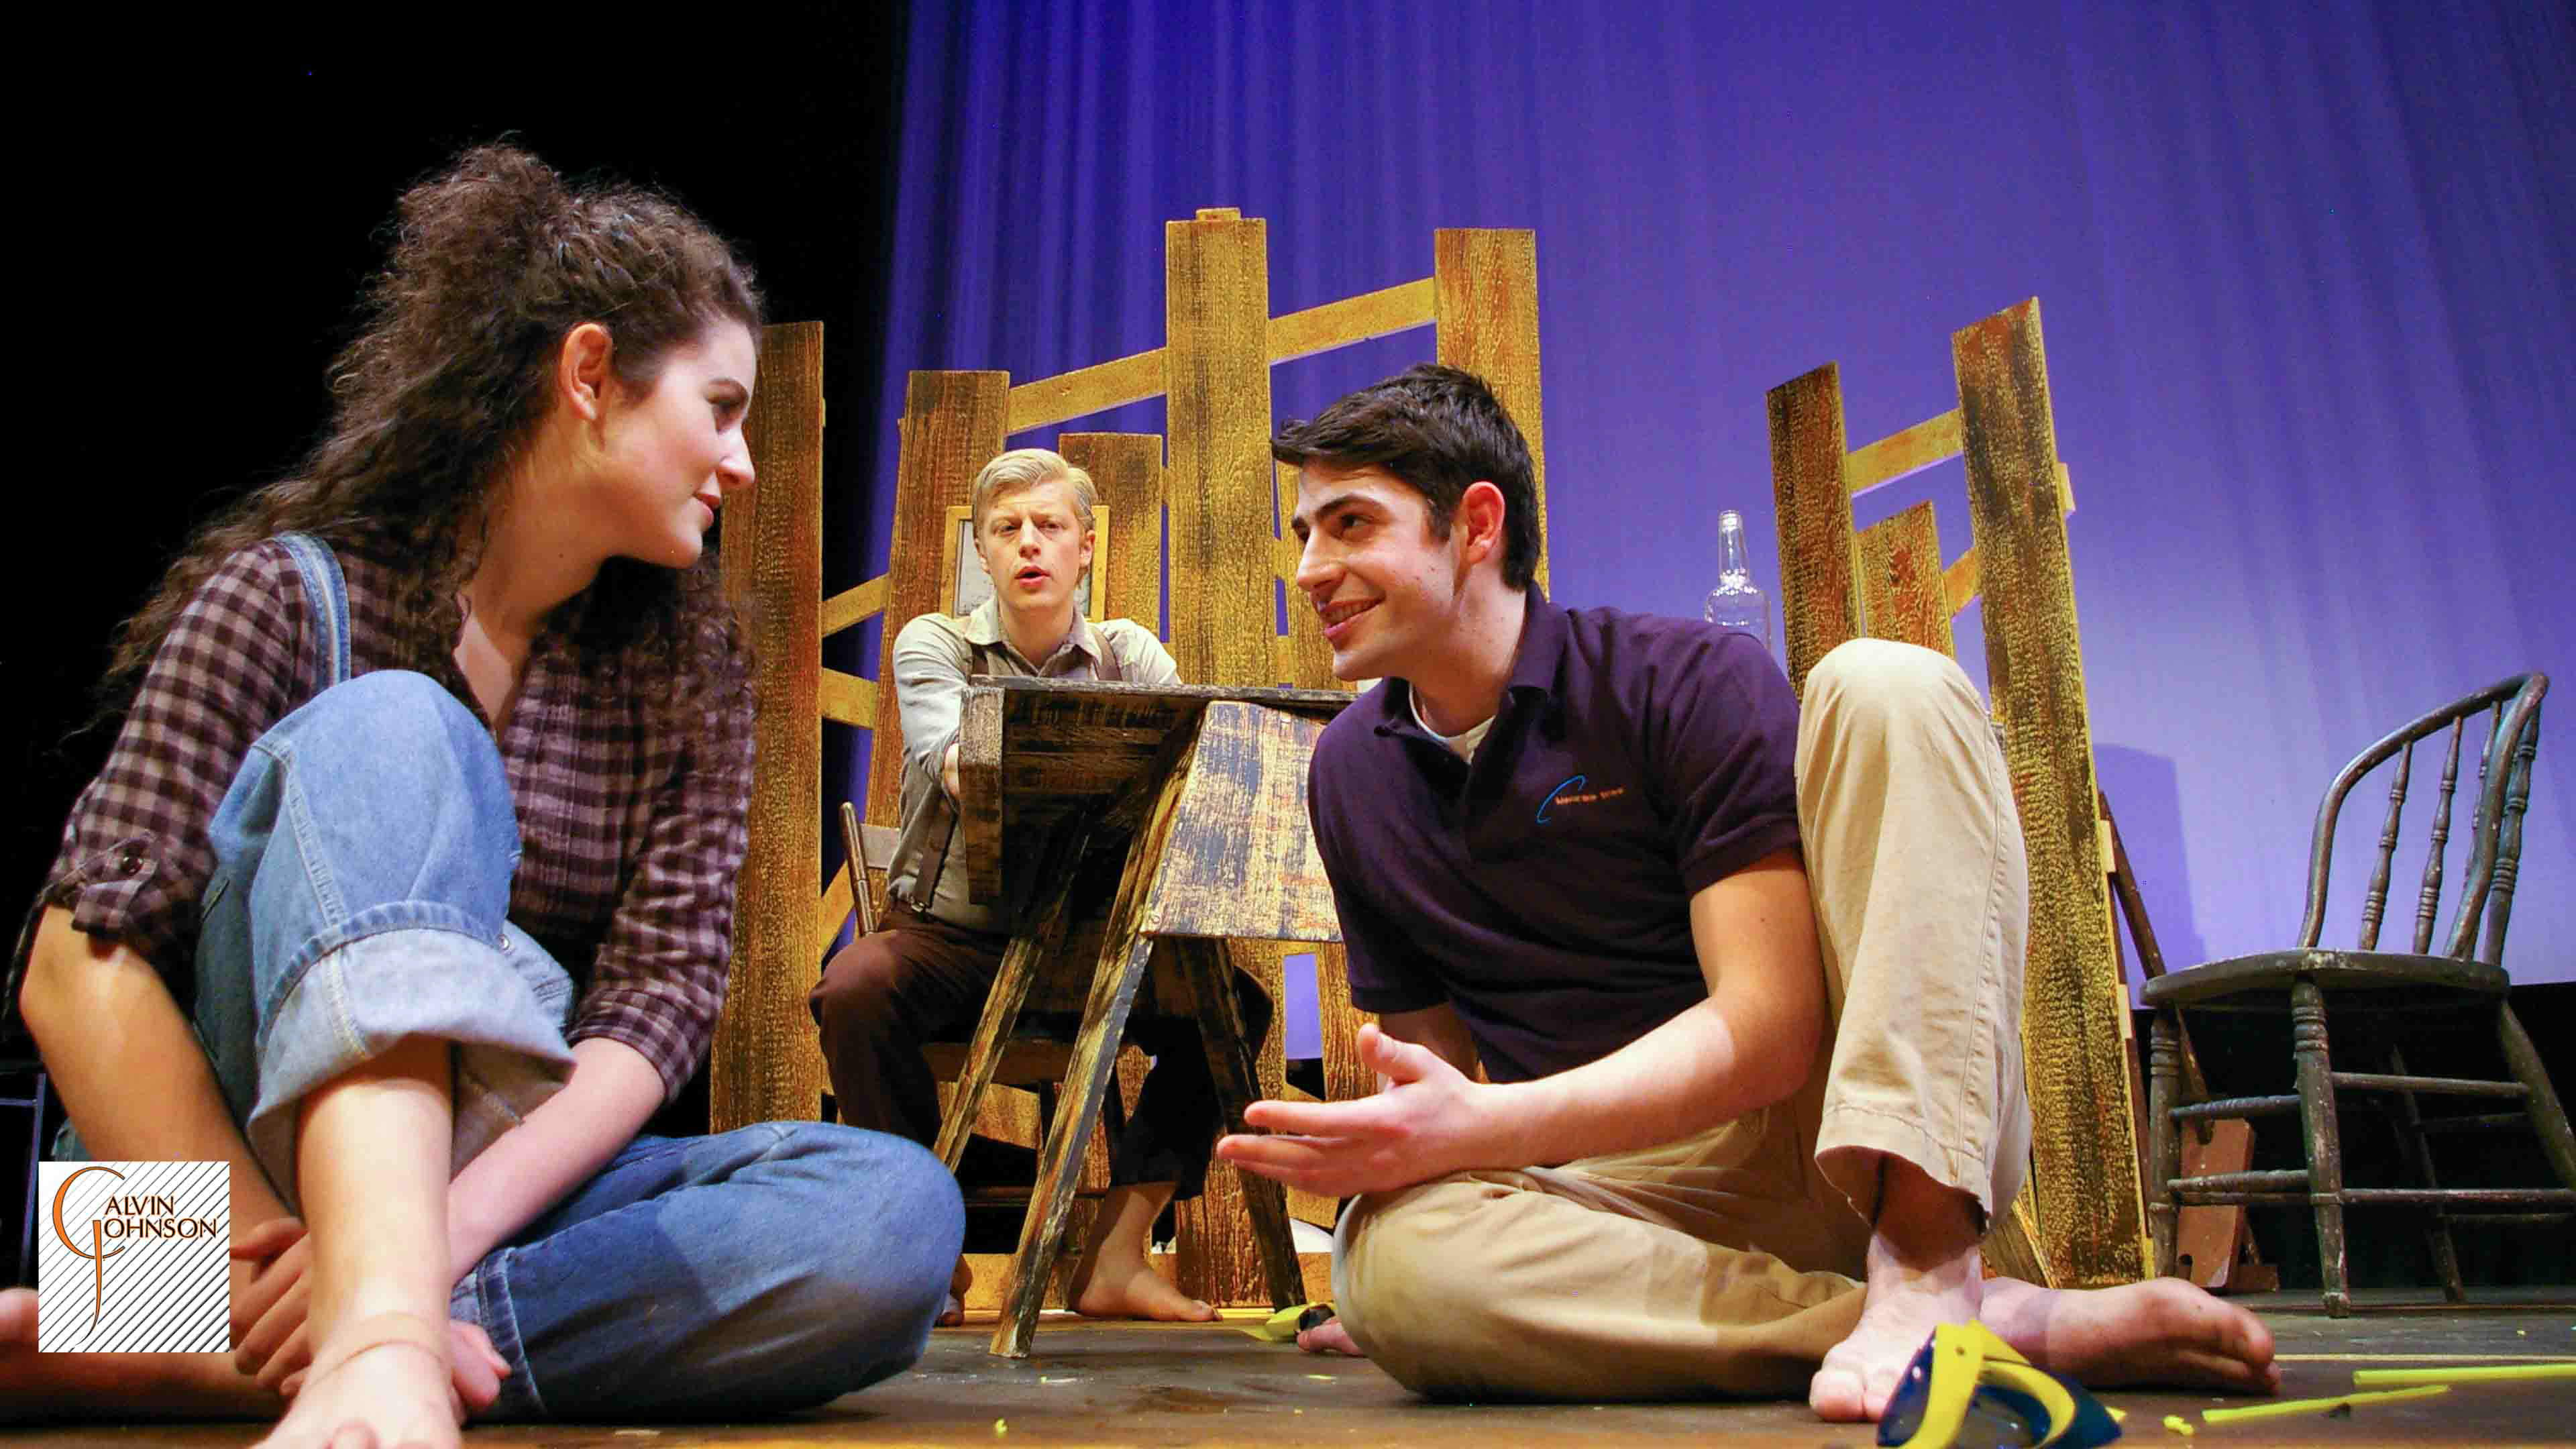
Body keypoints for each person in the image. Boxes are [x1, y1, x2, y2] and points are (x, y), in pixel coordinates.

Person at [2, 146, 962, 1448]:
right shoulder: (294, 598)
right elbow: (77, 967)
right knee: (403, 729)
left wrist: (406, 1255)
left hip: (476, 1194)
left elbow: (656, 1013)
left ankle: (228, 1354)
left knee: (889, 1216)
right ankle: (319, 1333)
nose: (738, 460)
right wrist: (268, 1251)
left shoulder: (685, 684)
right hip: (210, 1189)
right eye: (719, 406)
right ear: (587, 377)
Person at [1216, 364, 2280, 1419]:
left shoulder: (1677, 682)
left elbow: (1769, 1032)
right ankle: (1987, 1328)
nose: (1310, 567)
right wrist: (1421, 1238)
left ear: (1477, 526)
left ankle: (1927, 1262)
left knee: (1886, 684)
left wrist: (1487, 1128)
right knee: (1393, 1266)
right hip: (1615, 1207)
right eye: (1306, 531)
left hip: (1833, 1149)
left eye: (1350, 524)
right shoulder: (1350, 771)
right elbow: (1430, 1078)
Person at [809, 447, 1273, 1324]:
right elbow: (959, 765)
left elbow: (1202, 766)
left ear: (1085, 548)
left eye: (1050, 527)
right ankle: (921, 1254)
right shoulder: (934, 643)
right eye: (1007, 529)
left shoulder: (1127, 652)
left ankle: (1120, 1253)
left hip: (1089, 943)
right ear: (982, 552)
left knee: (1233, 1007)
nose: (1030, 545)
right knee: (856, 990)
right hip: (960, 937)